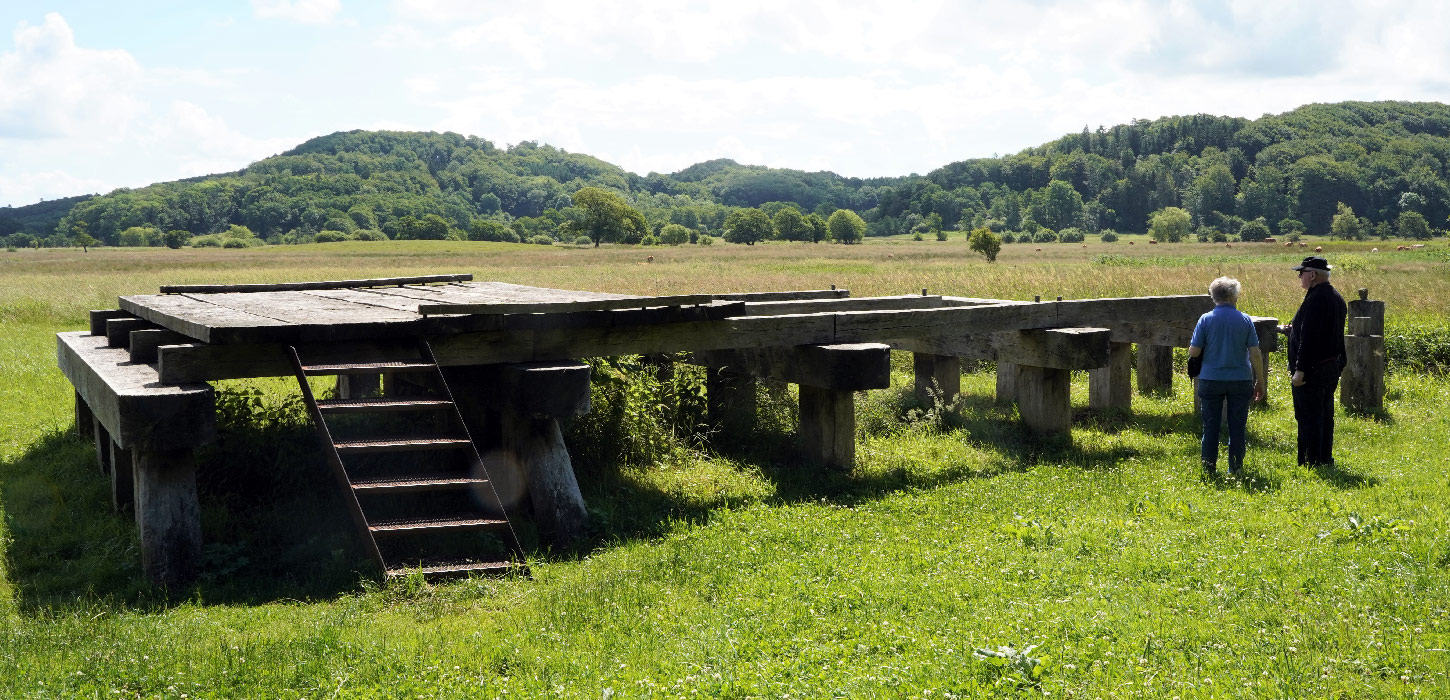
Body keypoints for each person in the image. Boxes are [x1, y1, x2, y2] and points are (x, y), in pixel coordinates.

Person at [1189, 276, 1265, 477]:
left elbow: (1194, 352)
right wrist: (1260, 381)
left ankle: (1209, 468)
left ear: (1213, 296)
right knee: (1237, 426)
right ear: (1234, 296)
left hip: (1211, 379)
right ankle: (1236, 468)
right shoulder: (1245, 319)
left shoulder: (1205, 319)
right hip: (1240, 380)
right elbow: (1255, 352)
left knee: (1210, 426)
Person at [1280, 255, 1347, 466]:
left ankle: (1310, 461)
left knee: (1309, 416)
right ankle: (1324, 457)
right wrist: (1291, 331)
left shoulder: (1316, 299)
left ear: (1312, 274)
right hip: (1330, 366)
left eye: (1301, 273)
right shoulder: (1334, 296)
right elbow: (1323, 331)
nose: (1299, 277)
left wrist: (1300, 370)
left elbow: (1310, 338)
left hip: (1313, 369)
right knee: (1325, 415)